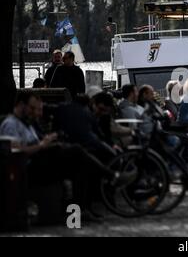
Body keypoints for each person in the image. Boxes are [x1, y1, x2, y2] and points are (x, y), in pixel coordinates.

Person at [0, 92, 135, 221]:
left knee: (81, 165)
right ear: (21, 105)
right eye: (32, 108)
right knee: (76, 151)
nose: (36, 113)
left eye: (37, 109)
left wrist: (49, 141)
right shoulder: (11, 124)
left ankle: (78, 213)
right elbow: (15, 152)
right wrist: (42, 145)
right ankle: (112, 176)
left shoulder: (28, 124)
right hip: (29, 168)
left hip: (41, 162)